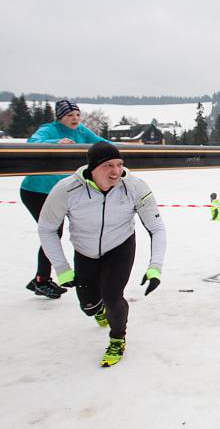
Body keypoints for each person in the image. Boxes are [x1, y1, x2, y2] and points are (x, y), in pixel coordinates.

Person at [38, 142, 166, 367]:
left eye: (119, 164)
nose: (116, 171)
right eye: (108, 165)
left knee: (112, 296)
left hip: (120, 246)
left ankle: (117, 338)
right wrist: (63, 269)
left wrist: (155, 266)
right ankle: (96, 309)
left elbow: (157, 228)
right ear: (92, 168)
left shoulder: (134, 187)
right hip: (85, 250)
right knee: (88, 306)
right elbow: (47, 228)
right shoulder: (66, 189)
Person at [20, 99, 106, 299]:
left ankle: (45, 279)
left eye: (77, 115)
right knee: (52, 232)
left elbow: (101, 143)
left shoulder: (80, 131)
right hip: (36, 191)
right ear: (60, 117)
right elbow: (32, 143)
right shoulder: (50, 129)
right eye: (69, 116)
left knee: (79, 228)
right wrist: (55, 142)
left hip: (61, 192)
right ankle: (41, 280)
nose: (75, 119)